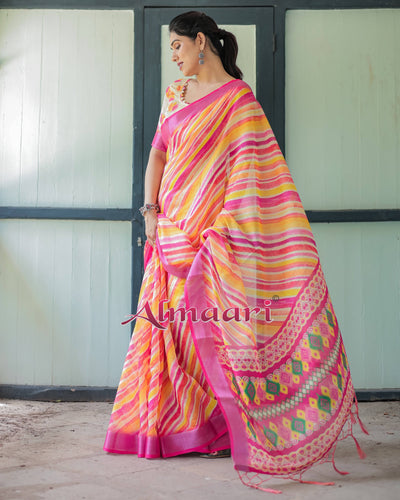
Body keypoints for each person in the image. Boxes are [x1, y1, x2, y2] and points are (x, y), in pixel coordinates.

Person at [104, 11, 367, 492]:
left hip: (212, 239)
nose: (175, 58)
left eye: (179, 48)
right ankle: (174, 427)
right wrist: (150, 214)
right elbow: (158, 155)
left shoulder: (239, 102)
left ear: (201, 42)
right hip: (169, 230)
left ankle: (226, 427)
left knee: (216, 332)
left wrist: (220, 232)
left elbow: (254, 178)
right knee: (169, 332)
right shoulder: (175, 96)